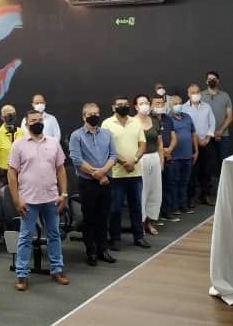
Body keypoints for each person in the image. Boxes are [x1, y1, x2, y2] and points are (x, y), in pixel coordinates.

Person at [8, 109, 70, 291]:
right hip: (28, 200)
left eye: (40, 120)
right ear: (26, 123)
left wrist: (64, 194)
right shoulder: (18, 145)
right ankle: (22, 275)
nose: (37, 122)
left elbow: (61, 169)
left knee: (54, 235)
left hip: (51, 198)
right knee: (25, 237)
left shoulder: (53, 142)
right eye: (33, 120)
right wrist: (16, 200)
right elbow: (12, 173)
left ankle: (57, 270)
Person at [68, 103, 117, 266]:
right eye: (90, 114)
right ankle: (91, 252)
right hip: (87, 183)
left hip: (106, 181)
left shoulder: (107, 133)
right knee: (89, 219)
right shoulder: (76, 136)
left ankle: (103, 249)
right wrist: (97, 174)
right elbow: (77, 160)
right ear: (84, 117)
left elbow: (113, 156)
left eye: (96, 113)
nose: (94, 116)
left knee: (104, 217)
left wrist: (103, 172)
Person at [103, 96, 149, 250]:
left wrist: (134, 160)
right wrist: (124, 162)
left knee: (136, 207)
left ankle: (139, 236)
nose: (123, 106)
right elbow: (106, 147)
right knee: (115, 208)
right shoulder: (107, 124)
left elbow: (142, 145)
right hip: (116, 174)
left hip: (135, 172)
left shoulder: (135, 122)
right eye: (119, 104)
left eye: (125, 104)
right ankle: (115, 238)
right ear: (113, 107)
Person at [160, 96, 197, 218]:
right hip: (174, 157)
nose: (178, 105)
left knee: (184, 182)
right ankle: (173, 207)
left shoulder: (187, 117)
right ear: (170, 105)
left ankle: (183, 205)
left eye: (180, 103)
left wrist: (196, 151)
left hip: (187, 155)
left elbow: (193, 134)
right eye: (175, 103)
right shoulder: (167, 119)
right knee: (173, 183)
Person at [181, 84, 216, 207]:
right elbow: (186, 126)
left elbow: (212, 123)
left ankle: (205, 195)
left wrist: (207, 138)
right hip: (191, 144)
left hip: (206, 142)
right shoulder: (183, 108)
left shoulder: (207, 106)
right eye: (192, 92)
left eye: (197, 92)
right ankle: (191, 197)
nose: (195, 94)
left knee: (206, 170)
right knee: (192, 171)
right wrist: (196, 140)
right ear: (188, 94)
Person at [134, 95, 165, 237]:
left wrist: (161, 161)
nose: (145, 105)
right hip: (140, 160)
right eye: (141, 103)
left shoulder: (155, 121)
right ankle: (139, 224)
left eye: (146, 102)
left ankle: (150, 222)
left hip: (154, 158)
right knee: (142, 192)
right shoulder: (132, 122)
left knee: (155, 191)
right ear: (136, 106)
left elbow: (160, 143)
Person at [201, 70, 233, 166]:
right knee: (206, 163)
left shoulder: (225, 96)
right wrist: (209, 132)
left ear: (218, 81)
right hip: (205, 135)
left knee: (223, 162)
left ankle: (222, 177)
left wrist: (220, 131)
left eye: (214, 79)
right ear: (206, 81)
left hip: (223, 135)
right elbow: (198, 115)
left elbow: (230, 117)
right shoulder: (201, 96)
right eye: (209, 79)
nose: (212, 81)